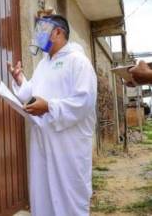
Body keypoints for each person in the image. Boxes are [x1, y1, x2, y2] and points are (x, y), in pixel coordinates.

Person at [8, 15, 97, 216]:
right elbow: (34, 95)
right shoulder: (43, 64)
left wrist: (49, 107)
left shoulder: (78, 62)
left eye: (41, 29)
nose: (37, 35)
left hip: (68, 148)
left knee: (69, 200)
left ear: (57, 32)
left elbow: (84, 102)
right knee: (43, 196)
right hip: (42, 145)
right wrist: (21, 81)